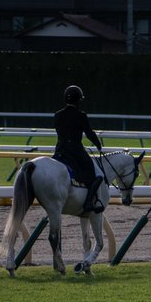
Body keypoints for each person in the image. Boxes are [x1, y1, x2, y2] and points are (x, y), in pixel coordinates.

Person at [52, 84, 106, 213]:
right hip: (75, 151)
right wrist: (98, 144)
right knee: (97, 175)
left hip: (60, 150)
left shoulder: (57, 115)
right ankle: (88, 203)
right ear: (78, 100)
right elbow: (89, 133)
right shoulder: (81, 115)